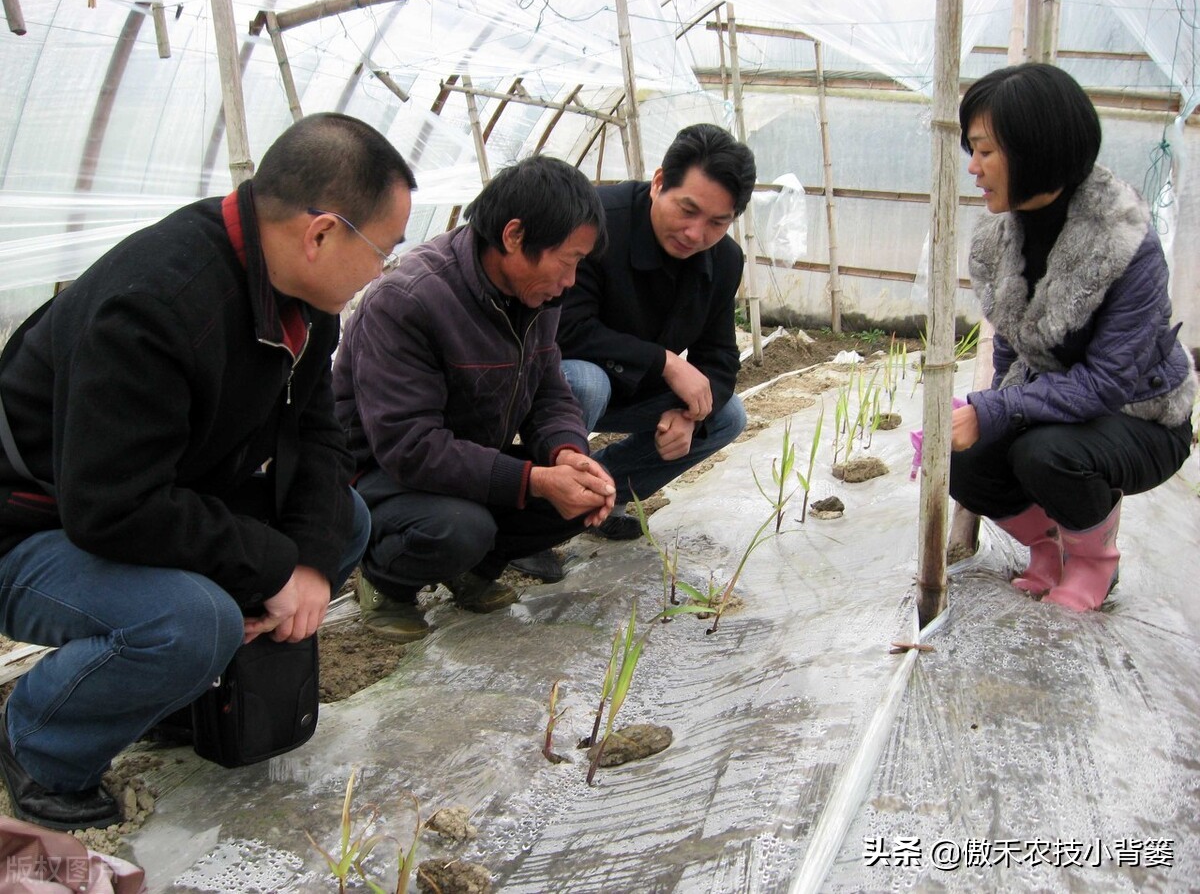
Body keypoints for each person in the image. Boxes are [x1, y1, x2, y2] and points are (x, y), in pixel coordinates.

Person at [0, 112, 415, 831]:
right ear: (320, 233)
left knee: (341, 524)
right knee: (190, 622)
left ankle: (170, 698)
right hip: (34, 528)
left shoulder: (306, 304)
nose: (386, 270)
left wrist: (308, 565)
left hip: (153, 500)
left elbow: (317, 436)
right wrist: (269, 568)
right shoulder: (154, 304)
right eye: (385, 249)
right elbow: (113, 508)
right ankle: (39, 743)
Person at [332, 155, 617, 642]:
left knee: (577, 500)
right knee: (462, 527)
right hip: (378, 476)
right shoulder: (410, 300)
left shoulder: (538, 296)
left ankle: (470, 571)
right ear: (513, 236)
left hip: (465, 463)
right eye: (568, 261)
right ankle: (384, 580)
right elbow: (410, 447)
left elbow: (549, 390)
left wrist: (568, 452)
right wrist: (533, 478)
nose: (571, 280)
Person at [949, 63, 1195, 612]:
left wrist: (997, 410)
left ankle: (1095, 561)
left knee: (1045, 453)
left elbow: (1110, 381)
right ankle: (1049, 544)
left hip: (1141, 415)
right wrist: (988, 414)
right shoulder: (1000, 237)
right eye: (972, 150)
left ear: (1035, 146)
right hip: (1059, 407)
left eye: (985, 152)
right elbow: (1014, 349)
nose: (973, 168)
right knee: (963, 460)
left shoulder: (1123, 239)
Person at [511, 123, 756, 581]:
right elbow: (565, 328)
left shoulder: (724, 260)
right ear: (659, 182)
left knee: (726, 416)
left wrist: (690, 414)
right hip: (555, 382)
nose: (695, 232)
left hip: (634, 388)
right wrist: (665, 362)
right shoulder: (598, 222)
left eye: (717, 223)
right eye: (688, 210)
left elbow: (720, 356)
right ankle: (532, 524)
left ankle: (598, 497)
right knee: (585, 380)